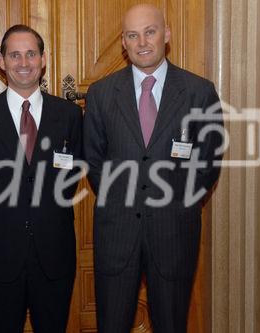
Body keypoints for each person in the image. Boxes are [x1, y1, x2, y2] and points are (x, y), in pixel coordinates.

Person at [83, 4, 223, 333]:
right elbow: (93, 160)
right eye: (133, 35)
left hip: (174, 233)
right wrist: (123, 198)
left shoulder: (199, 92)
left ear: (167, 34)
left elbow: (207, 163)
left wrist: (178, 203)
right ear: (123, 42)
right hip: (117, 235)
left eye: (150, 31)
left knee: (171, 325)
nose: (142, 42)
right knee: (112, 324)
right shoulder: (101, 94)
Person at [0, 25, 83, 333]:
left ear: (44, 59)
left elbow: (72, 176)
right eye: (14, 55)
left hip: (55, 256)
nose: (24, 62)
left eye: (31, 54)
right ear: (1, 61)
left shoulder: (69, 115)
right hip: (0, 256)